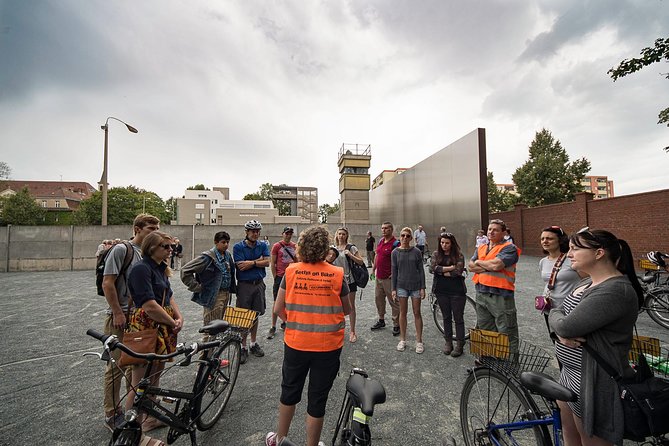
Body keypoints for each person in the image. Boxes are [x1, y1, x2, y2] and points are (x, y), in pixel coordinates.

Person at [548, 228, 644, 446]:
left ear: (599, 253)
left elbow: (564, 321)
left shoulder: (615, 290)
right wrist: (559, 326)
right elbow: (559, 312)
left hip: (593, 381)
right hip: (570, 374)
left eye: (575, 249)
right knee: (570, 436)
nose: (569, 254)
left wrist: (559, 324)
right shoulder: (587, 282)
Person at [266, 226, 351, 446]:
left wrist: (293, 320)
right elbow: (347, 309)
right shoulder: (336, 274)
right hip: (328, 347)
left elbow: (277, 308)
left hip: (296, 342)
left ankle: (279, 439)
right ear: (325, 248)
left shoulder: (291, 271)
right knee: (317, 398)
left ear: (301, 246)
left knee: (289, 391)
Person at [100, 213, 160, 431]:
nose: (154, 232)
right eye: (150, 228)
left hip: (138, 317)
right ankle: (111, 413)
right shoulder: (121, 250)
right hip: (120, 315)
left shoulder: (145, 254)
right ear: (137, 229)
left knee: (134, 366)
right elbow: (108, 283)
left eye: (156, 228)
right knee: (115, 365)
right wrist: (117, 311)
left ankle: (130, 412)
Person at [126, 230, 184, 437]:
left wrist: (179, 317)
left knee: (156, 372)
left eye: (171, 247)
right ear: (151, 248)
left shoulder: (160, 269)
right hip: (148, 325)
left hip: (162, 324)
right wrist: (172, 321)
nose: (171, 250)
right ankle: (133, 428)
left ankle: (149, 419)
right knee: (139, 379)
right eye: (165, 247)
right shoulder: (141, 269)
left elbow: (168, 297)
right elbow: (149, 305)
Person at [468, 219, 520, 354]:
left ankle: (509, 367)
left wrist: (480, 262)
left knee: (506, 332)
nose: (491, 232)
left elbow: (496, 265)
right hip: (481, 293)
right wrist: (487, 266)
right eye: (490, 229)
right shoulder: (481, 247)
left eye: (495, 230)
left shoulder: (509, 248)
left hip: (501, 295)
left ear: (504, 233)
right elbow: (471, 267)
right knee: (485, 330)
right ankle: (488, 364)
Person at [180, 231, 237, 332]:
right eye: (223, 242)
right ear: (216, 242)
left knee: (220, 326)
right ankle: (207, 347)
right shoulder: (208, 257)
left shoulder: (227, 255)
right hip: (214, 295)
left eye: (227, 242)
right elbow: (185, 270)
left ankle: (216, 347)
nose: (226, 245)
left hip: (226, 294)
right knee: (211, 328)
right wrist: (197, 287)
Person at [233, 220, 270, 364]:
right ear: (246, 232)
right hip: (244, 286)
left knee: (255, 315)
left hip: (259, 284)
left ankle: (253, 343)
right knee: (244, 316)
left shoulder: (263, 245)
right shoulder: (238, 247)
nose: (255, 234)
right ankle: (242, 346)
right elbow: (241, 266)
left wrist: (252, 262)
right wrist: (258, 260)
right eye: (252, 231)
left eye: (257, 231)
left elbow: (267, 262)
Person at [429, 232, 467, 357]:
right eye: (442, 243)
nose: (444, 245)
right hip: (441, 291)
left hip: (457, 291)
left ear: (452, 243)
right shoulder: (436, 254)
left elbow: (458, 271)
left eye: (447, 243)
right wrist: (450, 267)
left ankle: (460, 344)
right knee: (446, 317)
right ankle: (448, 342)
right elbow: (432, 268)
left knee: (458, 318)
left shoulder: (459, 255)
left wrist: (441, 270)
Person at [538, 226, 580, 332]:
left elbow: (587, 280)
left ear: (560, 241)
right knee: (554, 338)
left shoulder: (571, 259)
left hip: (570, 307)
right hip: (550, 307)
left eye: (549, 238)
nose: (545, 241)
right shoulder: (543, 261)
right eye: (542, 239)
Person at [391, 227, 426, 353]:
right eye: (403, 235)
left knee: (417, 313)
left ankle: (419, 340)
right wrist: (393, 289)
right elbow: (394, 271)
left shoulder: (416, 252)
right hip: (401, 286)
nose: (405, 238)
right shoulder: (395, 252)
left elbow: (421, 270)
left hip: (416, 286)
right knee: (403, 313)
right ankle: (403, 339)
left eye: (407, 236)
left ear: (411, 238)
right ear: (399, 237)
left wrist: (423, 287)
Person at [332, 227, 365, 343]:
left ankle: (352, 331)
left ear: (347, 236)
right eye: (339, 234)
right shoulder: (332, 248)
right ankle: (338, 330)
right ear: (336, 235)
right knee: (336, 306)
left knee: (351, 306)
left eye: (343, 234)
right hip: (335, 280)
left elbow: (361, 262)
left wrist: (350, 255)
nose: (341, 236)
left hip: (349, 280)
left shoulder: (351, 247)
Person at [371, 221, 401, 336]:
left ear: (391, 230)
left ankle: (396, 324)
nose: (383, 230)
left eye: (386, 228)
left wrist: (395, 273)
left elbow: (400, 260)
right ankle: (381, 320)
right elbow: (377, 256)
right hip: (379, 277)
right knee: (379, 299)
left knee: (394, 301)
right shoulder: (380, 241)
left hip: (389, 279)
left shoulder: (396, 244)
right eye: (382, 228)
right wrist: (373, 269)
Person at [268, 227, 297, 339]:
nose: (288, 235)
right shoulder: (277, 246)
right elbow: (273, 262)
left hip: (290, 276)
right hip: (280, 276)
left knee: (289, 301)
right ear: (283, 234)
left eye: (290, 233)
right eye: (287, 233)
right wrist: (275, 277)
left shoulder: (294, 246)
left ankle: (285, 321)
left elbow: (296, 260)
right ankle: (273, 325)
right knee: (277, 301)